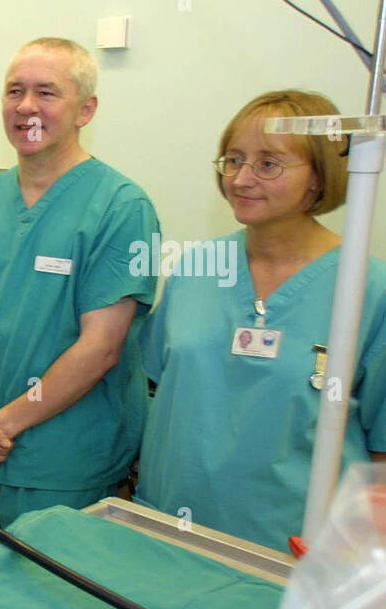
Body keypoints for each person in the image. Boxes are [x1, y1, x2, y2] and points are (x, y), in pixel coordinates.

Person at [0, 37, 159, 554]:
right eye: (15, 91)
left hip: (60, 463)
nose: (26, 106)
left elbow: (102, 347)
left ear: (86, 109)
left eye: (47, 92)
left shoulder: (120, 208)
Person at [136, 89, 386, 551]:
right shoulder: (196, 269)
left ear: (319, 178)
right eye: (233, 160)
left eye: (268, 164)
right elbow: (151, 389)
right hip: (171, 525)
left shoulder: (366, 289)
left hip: (290, 546)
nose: (242, 178)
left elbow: (381, 448)